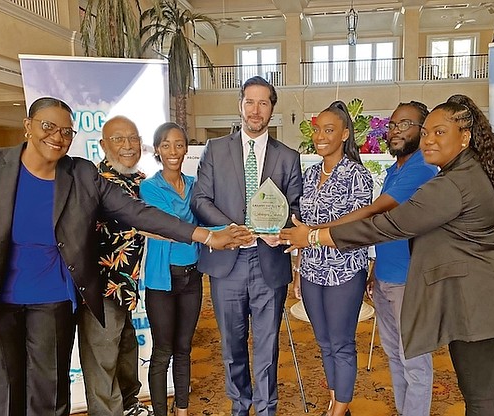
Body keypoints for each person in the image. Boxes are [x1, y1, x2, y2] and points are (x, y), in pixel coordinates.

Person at [0, 97, 250, 416]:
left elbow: (139, 213)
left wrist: (208, 235)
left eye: (66, 131)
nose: (57, 137)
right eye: (48, 127)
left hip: (52, 304)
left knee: (49, 399)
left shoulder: (80, 175)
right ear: (28, 127)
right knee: (0, 400)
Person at [281, 94, 494, 416]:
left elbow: (388, 225)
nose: (428, 139)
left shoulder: (451, 185)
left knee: (480, 399)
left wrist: (313, 235)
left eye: (439, 132)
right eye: (427, 132)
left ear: (466, 137)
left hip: (481, 304)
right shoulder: (471, 171)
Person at [310, 101, 437, 416]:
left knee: (415, 362)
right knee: (395, 356)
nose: (395, 131)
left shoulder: (422, 167)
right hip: (386, 276)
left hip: (411, 280)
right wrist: (374, 268)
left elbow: (372, 212)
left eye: (404, 124)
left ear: (422, 131)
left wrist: (313, 232)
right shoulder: (397, 169)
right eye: (393, 125)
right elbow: (390, 231)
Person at [190, 76, 303, 416]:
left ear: (272, 109)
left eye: (263, 103)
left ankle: (267, 408)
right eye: (250, 102)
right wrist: (229, 228)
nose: (256, 110)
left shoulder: (288, 157)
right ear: (240, 105)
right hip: (228, 263)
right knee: (231, 345)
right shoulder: (216, 150)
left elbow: (296, 207)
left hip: (269, 261)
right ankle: (241, 405)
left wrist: (280, 229)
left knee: (267, 346)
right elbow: (200, 198)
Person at [293, 100, 372, 416]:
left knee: (341, 343)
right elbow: (300, 226)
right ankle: (336, 400)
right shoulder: (309, 174)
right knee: (324, 343)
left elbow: (357, 225)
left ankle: (338, 410)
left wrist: (312, 231)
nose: (321, 136)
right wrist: (299, 268)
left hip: (344, 270)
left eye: (329, 130)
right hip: (312, 270)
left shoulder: (357, 176)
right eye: (317, 130)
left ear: (344, 134)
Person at [76, 115, 151, 416]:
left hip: (125, 289)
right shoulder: (92, 184)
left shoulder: (140, 182)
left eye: (133, 138)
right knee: (102, 363)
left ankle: (130, 407)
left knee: (125, 354)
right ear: (103, 144)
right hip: (100, 289)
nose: (128, 145)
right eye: (119, 139)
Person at [139, 122, 201, 416]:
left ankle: (183, 410)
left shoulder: (195, 185)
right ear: (157, 150)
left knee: (184, 348)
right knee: (162, 352)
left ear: (186, 149)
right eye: (166, 145)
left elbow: (203, 220)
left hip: (192, 277)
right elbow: (168, 224)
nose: (173, 151)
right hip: (162, 281)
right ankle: (161, 412)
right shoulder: (150, 187)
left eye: (178, 144)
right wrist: (204, 229)